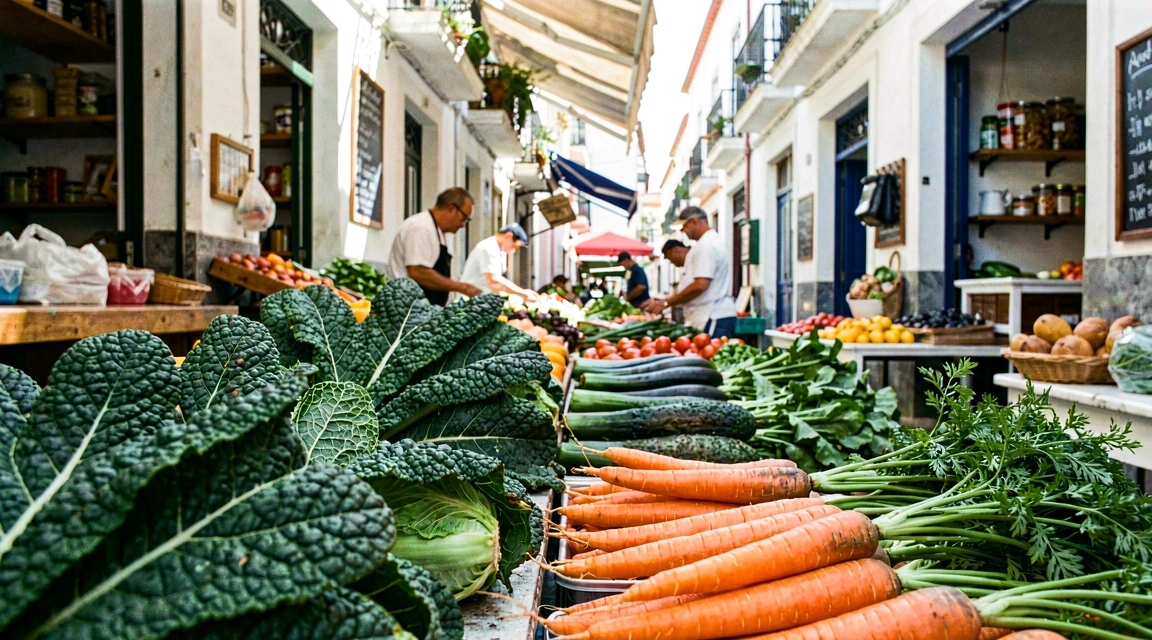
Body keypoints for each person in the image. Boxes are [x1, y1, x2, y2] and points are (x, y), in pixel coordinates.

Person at [642, 207, 738, 338]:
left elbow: (700, 285)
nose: (682, 231)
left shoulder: (705, 246)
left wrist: (667, 302)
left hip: (711, 315)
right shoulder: (709, 242)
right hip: (709, 315)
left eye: (683, 226)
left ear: (694, 222)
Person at [387, 187, 480, 305]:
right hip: (407, 307)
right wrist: (462, 287)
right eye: (464, 218)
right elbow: (418, 272)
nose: (463, 225)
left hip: (426, 308)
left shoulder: (438, 231)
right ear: (451, 209)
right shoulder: (421, 228)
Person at [459, 223, 537, 299]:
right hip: (470, 300)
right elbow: (494, 281)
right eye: (514, 246)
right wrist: (522, 293)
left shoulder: (498, 250)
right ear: (508, 236)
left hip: (481, 299)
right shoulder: (489, 248)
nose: (514, 250)